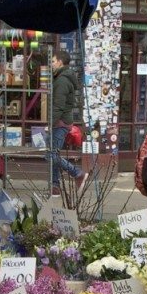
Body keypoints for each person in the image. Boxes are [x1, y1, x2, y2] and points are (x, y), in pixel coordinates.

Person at [50, 50, 87, 195]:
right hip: (61, 122)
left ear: (59, 62)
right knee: (53, 153)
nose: (51, 64)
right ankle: (55, 186)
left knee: (51, 154)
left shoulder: (62, 80)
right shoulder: (62, 77)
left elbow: (58, 105)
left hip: (60, 123)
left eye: (53, 61)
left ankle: (77, 173)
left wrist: (51, 123)